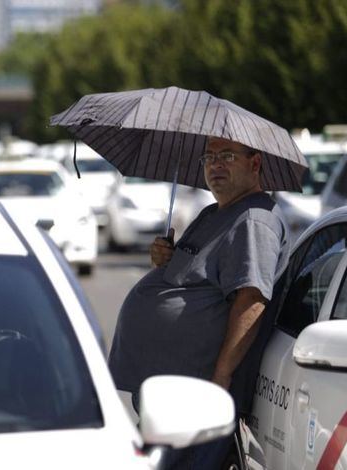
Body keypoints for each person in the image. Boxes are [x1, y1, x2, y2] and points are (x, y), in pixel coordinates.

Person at [108, 136, 290, 469]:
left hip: (197, 394)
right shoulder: (214, 213)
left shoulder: (254, 221)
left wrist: (220, 378)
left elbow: (251, 300)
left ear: (255, 163)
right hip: (174, 391)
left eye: (227, 156)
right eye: (208, 157)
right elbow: (194, 278)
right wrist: (166, 258)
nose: (215, 165)